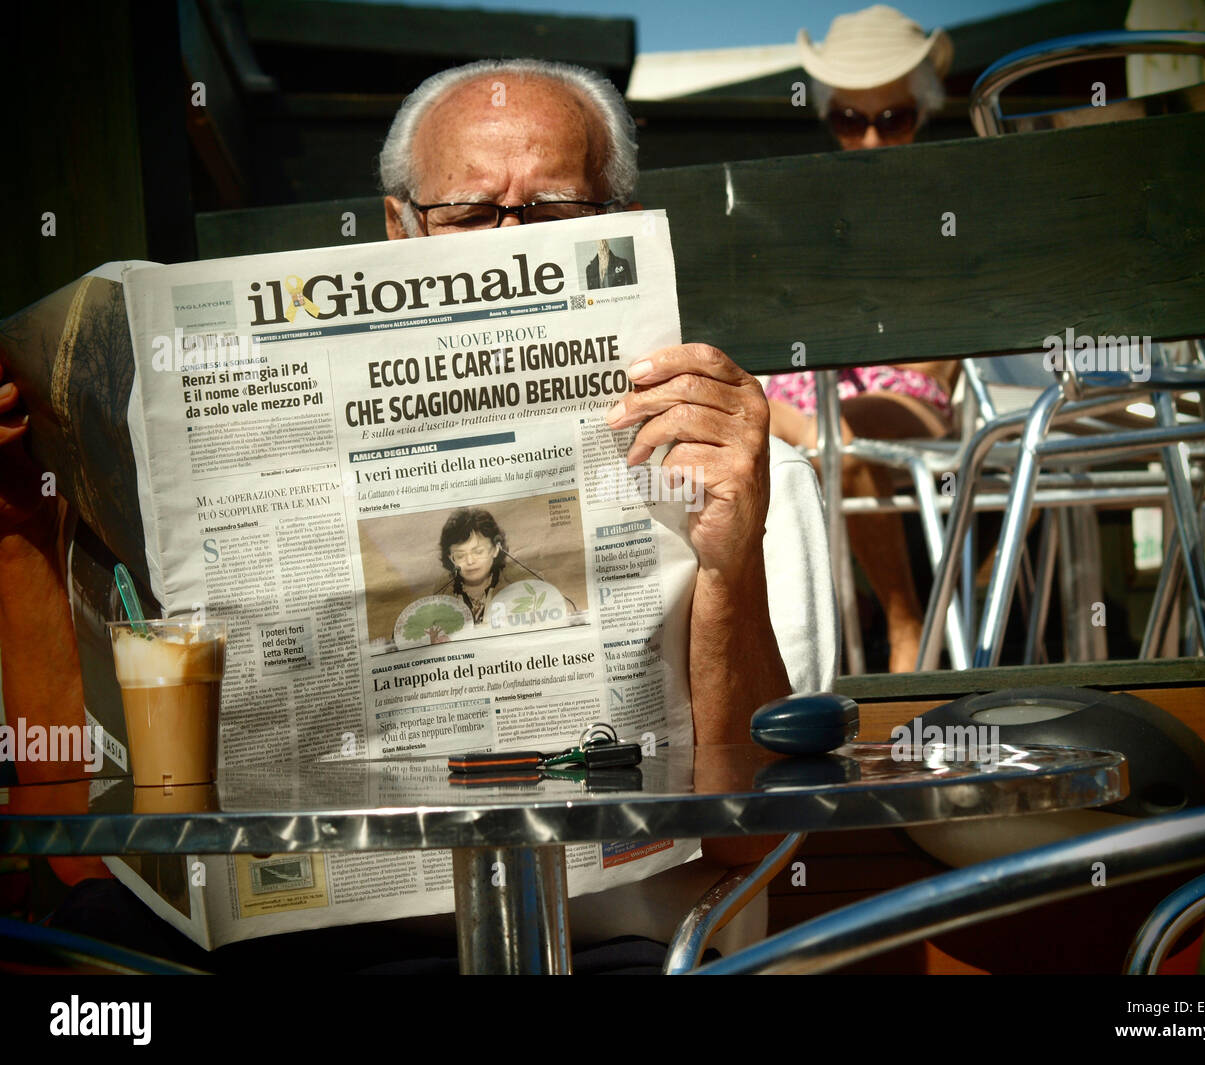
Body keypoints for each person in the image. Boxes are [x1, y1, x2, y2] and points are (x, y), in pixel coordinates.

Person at [1, 56, 838, 960]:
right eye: (471, 214)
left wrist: (729, 555)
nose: (508, 244)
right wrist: (17, 522)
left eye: (553, 213)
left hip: (594, 952)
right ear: (399, 232)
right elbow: (70, 820)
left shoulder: (734, 469)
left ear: (621, 231)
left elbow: (754, 842)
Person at [764, 5, 960, 673]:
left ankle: (904, 623)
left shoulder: (949, 201)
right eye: (851, 120)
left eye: (892, 118)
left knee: (827, 436)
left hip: (907, 392)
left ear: (922, 113)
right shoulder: (813, 211)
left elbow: (939, 348)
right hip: (813, 389)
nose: (871, 140)